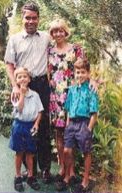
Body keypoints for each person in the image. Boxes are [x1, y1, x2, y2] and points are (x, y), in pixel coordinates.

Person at [4, 1, 52, 183]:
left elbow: (63, 51)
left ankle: (46, 169)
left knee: (43, 128)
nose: (31, 21)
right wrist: (15, 86)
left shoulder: (46, 37)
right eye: (27, 18)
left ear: (38, 19)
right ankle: (29, 170)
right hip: (23, 87)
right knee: (24, 128)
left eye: (34, 18)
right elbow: (9, 65)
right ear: (22, 18)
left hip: (41, 86)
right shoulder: (14, 40)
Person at [48, 19, 85, 183]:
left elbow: (84, 72)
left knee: (71, 134)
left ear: (66, 31)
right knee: (58, 135)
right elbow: (48, 73)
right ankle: (62, 167)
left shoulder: (76, 49)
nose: (58, 34)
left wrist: (92, 85)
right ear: (52, 34)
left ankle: (72, 171)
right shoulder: (49, 51)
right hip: (55, 98)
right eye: (54, 31)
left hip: (71, 97)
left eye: (60, 30)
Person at [58, 58, 99, 191]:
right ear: (74, 73)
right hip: (72, 124)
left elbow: (94, 113)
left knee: (86, 152)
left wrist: (88, 129)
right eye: (77, 72)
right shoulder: (72, 90)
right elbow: (69, 109)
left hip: (84, 124)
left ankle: (85, 181)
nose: (80, 75)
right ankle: (68, 176)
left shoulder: (91, 90)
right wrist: (68, 125)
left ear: (88, 73)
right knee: (67, 150)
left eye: (82, 72)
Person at [9, 67, 43, 191]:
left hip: (31, 126)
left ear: (29, 79)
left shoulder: (35, 95)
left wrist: (37, 124)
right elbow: (20, 108)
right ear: (16, 80)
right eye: (19, 77)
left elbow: (40, 111)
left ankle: (30, 176)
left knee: (30, 153)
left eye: (25, 76)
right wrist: (22, 94)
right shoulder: (15, 94)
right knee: (19, 153)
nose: (22, 78)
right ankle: (17, 176)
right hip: (19, 125)